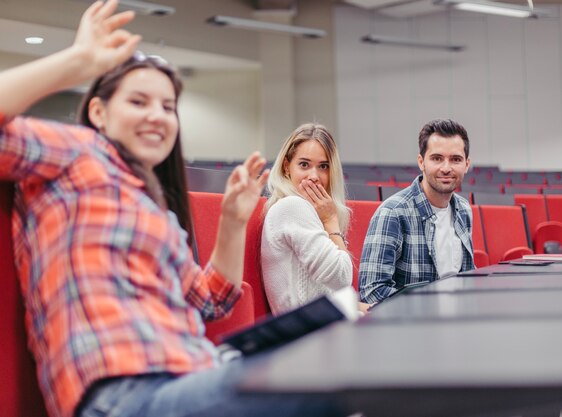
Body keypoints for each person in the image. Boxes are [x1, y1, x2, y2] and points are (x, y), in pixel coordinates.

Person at [0, 2, 343, 417]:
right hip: (123, 393)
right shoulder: (74, 153)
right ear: (98, 112)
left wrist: (233, 222)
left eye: (167, 107)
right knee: (341, 380)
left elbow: (209, 302)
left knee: (339, 368)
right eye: (139, 102)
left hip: (190, 375)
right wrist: (78, 62)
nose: (157, 116)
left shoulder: (155, 209)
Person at [359, 119, 475, 304]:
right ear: (421, 162)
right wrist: (431, 304)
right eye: (437, 158)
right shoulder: (393, 213)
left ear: (466, 164)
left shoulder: (464, 210)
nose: (446, 168)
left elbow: (467, 278)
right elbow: (372, 292)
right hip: (412, 325)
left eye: (455, 159)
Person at [261, 123, 357, 315]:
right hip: (306, 336)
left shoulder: (307, 211)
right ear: (287, 167)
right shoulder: (293, 207)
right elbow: (342, 279)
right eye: (304, 165)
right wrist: (330, 220)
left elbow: (329, 291)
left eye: (323, 167)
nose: (314, 176)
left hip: (320, 325)